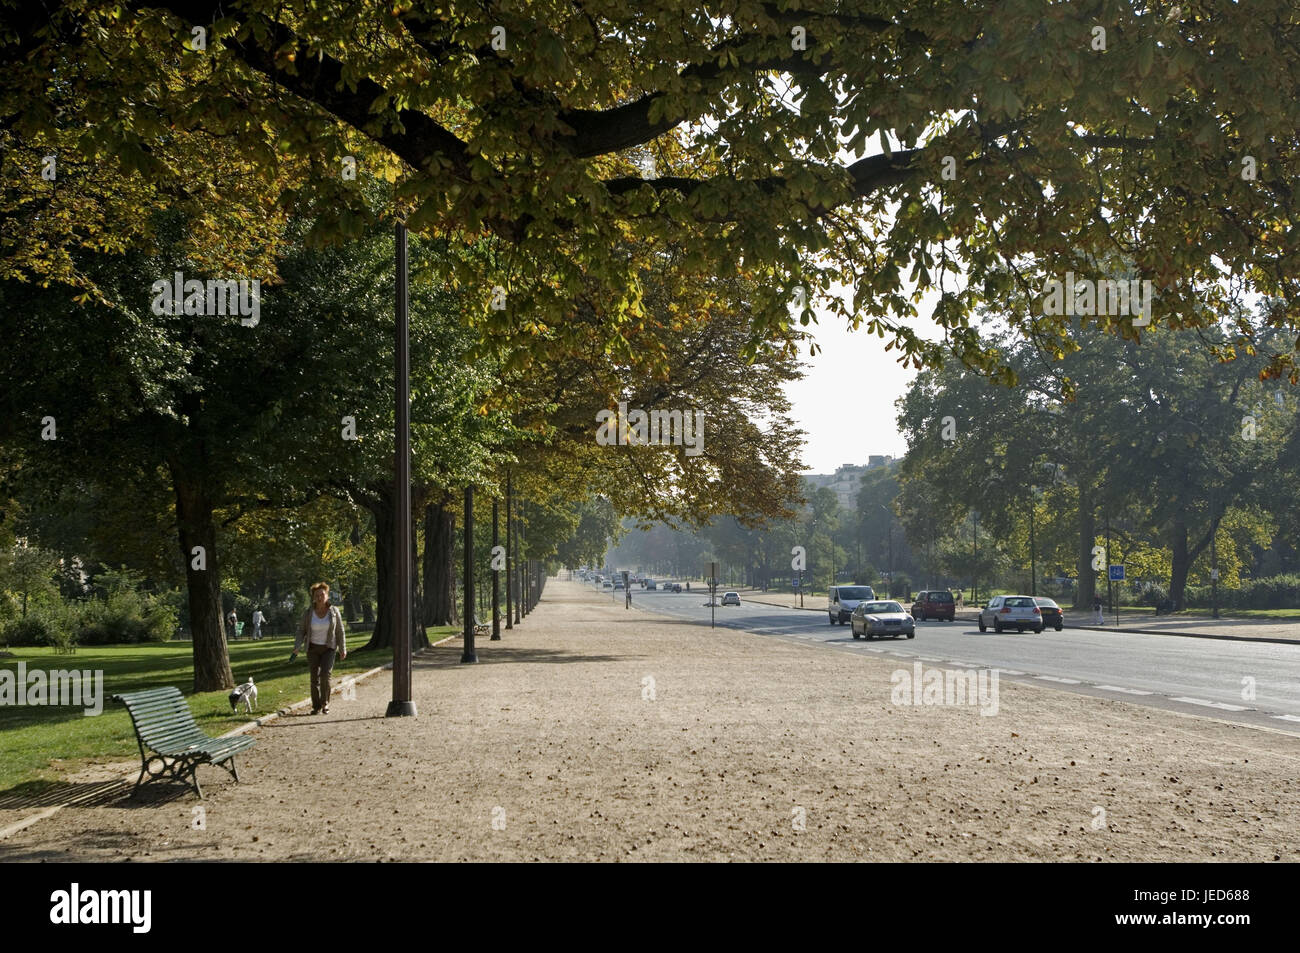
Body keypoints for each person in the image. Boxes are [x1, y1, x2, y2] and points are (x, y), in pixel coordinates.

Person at [291, 583, 347, 714]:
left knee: (325, 675)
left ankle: (325, 703)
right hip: (313, 648)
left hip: (329, 648)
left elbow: (340, 631)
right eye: (317, 595)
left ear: (327, 596)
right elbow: (301, 631)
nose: (320, 597)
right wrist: (297, 646)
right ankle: (316, 706)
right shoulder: (308, 613)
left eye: (322, 594)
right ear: (313, 597)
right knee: (314, 678)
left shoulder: (334, 612)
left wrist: (342, 648)